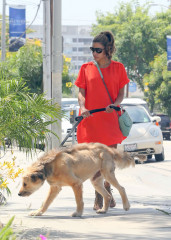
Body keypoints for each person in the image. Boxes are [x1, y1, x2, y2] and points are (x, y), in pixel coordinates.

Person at [74, 31, 130, 210]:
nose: (94, 53)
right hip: (90, 123)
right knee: (92, 163)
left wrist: (115, 104)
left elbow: (121, 92)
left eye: (97, 50)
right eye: (92, 49)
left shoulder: (119, 68)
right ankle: (100, 195)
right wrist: (82, 107)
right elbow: (81, 92)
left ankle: (105, 191)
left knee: (107, 162)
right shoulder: (85, 68)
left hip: (109, 122)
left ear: (107, 50)